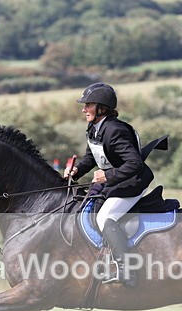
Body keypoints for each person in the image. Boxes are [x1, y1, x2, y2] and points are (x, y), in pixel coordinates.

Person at [63, 82, 154, 286]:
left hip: (133, 182)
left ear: (101, 107)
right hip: (116, 182)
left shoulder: (115, 131)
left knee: (106, 217)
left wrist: (107, 175)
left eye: (88, 105)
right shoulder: (95, 128)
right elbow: (92, 156)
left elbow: (135, 164)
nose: (83, 109)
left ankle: (127, 271)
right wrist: (77, 171)